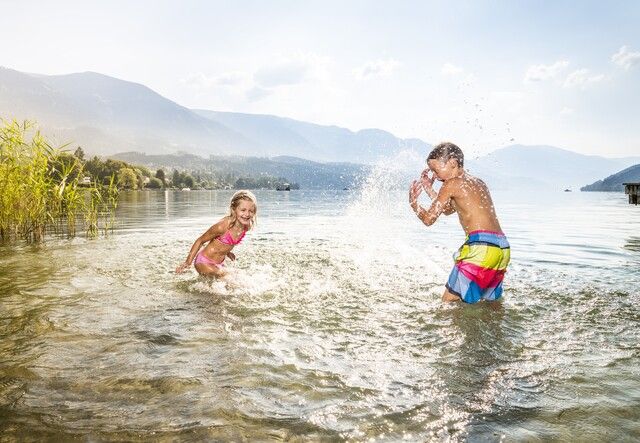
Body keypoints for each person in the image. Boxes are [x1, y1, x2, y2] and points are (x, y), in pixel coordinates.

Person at [409, 142, 510, 303]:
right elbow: (449, 209)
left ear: (453, 163)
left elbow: (429, 219)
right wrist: (429, 189)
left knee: (447, 305)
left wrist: (414, 205)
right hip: (501, 248)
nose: (435, 176)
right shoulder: (478, 182)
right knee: (490, 307)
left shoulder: (451, 183)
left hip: (481, 249)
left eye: (436, 169)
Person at [176, 190, 257, 278]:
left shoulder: (246, 226)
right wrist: (187, 263)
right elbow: (200, 241)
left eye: (251, 211)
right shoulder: (222, 226)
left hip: (219, 264)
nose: (247, 214)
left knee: (233, 280)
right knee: (233, 278)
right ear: (234, 209)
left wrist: (227, 252)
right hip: (204, 262)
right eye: (243, 210)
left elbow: (222, 243)